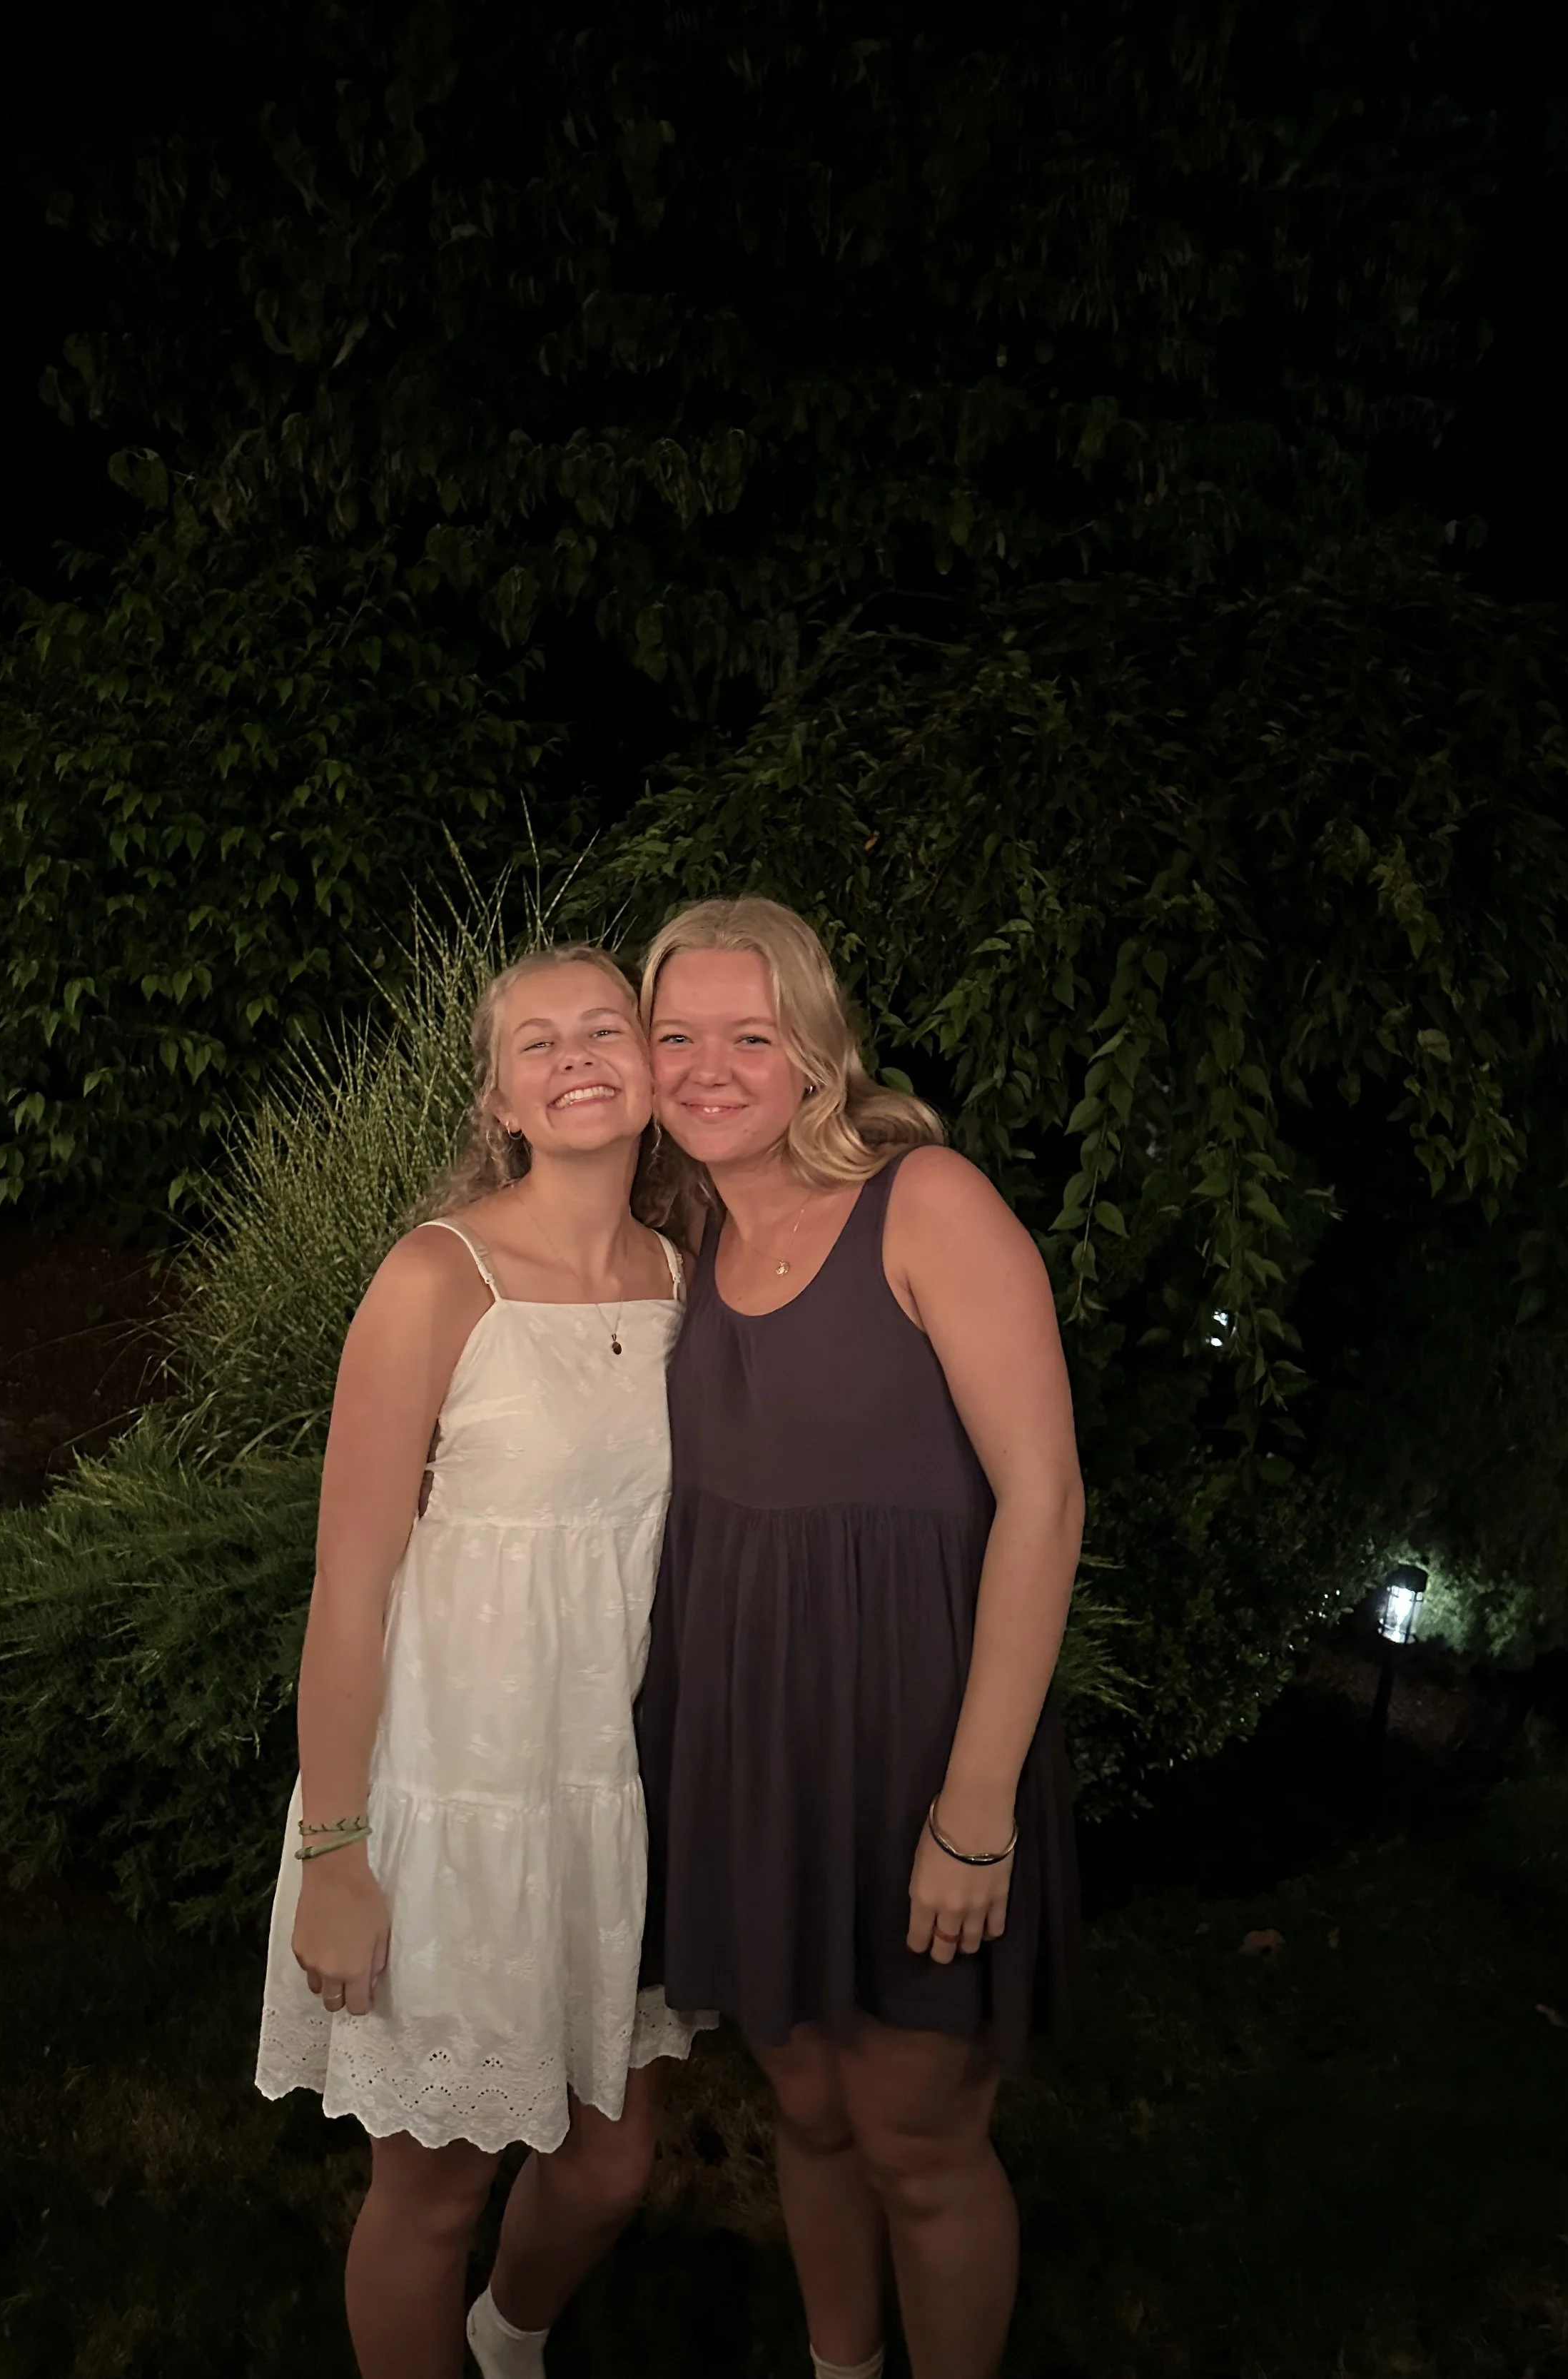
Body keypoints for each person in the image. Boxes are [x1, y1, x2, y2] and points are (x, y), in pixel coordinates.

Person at [634, 898, 1086, 2379]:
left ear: (814, 1051)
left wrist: (970, 1812)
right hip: (748, 1740)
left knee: (914, 2132)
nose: (708, 1068)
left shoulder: (925, 1202)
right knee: (807, 2108)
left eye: (748, 1035)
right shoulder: (674, 1235)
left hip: (913, 1736)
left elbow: (1042, 1495)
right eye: (676, 1034)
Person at [255, 945, 709, 2379]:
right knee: (433, 2188)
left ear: (648, 1069)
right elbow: (350, 1584)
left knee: (609, 2164)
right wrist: (336, 1849)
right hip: (445, 1795)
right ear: (500, 1098)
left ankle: (503, 2344)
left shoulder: (680, 1278)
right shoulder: (436, 1275)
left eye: (604, 1028)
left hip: (597, 1795)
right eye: (537, 1042)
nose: (575, 1055)